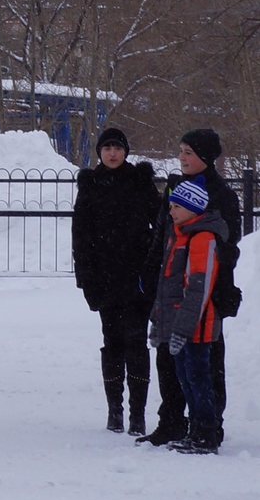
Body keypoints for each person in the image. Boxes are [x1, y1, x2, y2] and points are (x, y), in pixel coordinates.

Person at [139, 129, 243, 448]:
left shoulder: (222, 193)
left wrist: (206, 265)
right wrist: (152, 266)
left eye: (189, 152)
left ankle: (209, 424)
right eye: (181, 150)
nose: (183, 157)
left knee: (205, 360)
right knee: (168, 357)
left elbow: (229, 243)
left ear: (206, 157)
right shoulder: (175, 185)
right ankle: (171, 420)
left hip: (206, 289)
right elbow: (163, 230)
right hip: (170, 286)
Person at [72, 128, 161, 434]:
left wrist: (151, 267)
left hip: (136, 279)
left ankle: (138, 413)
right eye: (107, 148)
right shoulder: (91, 185)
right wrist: (86, 278)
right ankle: (115, 411)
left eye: (117, 148)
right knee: (112, 344)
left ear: (126, 151)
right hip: (105, 279)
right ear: (99, 152)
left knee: (136, 343)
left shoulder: (139, 182)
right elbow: (80, 236)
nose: (112, 153)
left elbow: (161, 223)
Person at [148, 177, 227, 454]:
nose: (170, 212)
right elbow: (167, 285)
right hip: (179, 325)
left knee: (198, 378)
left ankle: (205, 433)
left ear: (192, 209)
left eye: (176, 207)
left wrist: (183, 327)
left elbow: (198, 288)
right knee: (185, 378)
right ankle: (195, 430)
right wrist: (161, 322)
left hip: (196, 327)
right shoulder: (179, 234)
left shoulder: (202, 238)